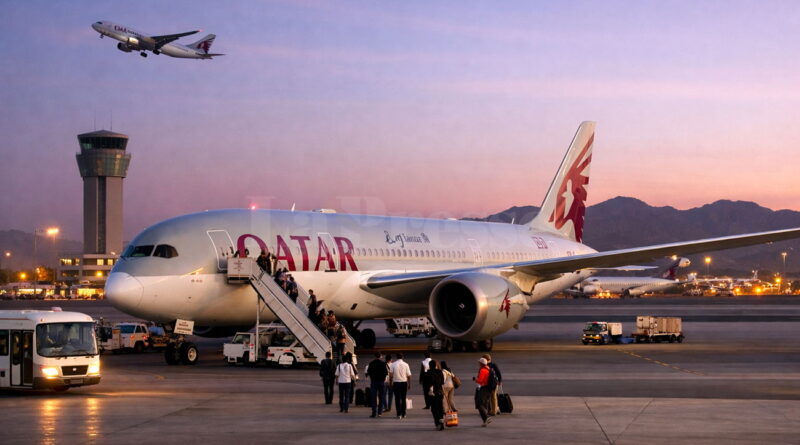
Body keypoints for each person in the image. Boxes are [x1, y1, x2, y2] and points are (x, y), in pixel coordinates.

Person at [473, 357, 495, 427]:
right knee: (484, 404)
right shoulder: (488, 368)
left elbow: (480, 381)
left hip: (484, 388)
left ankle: (487, 417)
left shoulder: (483, 370)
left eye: (479, 362)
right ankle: (485, 421)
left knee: (479, 403)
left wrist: (475, 379)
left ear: (481, 363)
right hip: (489, 389)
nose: (478, 363)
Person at [367, 352, 389, 418]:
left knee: (374, 398)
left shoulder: (371, 363)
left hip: (374, 382)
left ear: (375, 356)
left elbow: (369, 372)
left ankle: (374, 412)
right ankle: (380, 412)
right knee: (381, 397)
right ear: (380, 356)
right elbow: (386, 373)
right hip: (381, 382)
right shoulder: (383, 364)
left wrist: (372, 377)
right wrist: (383, 378)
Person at [390, 353, 412, 419]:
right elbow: (409, 375)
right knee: (403, 398)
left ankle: (398, 414)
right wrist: (409, 384)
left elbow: (391, 375)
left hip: (396, 383)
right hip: (404, 383)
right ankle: (404, 414)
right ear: (402, 357)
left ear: (396, 357)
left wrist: (391, 383)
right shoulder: (406, 364)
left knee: (397, 399)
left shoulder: (393, 364)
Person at [427, 359, 446, 430]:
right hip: (440, 392)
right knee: (440, 408)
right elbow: (442, 382)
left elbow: (427, 384)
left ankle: (437, 423)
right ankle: (441, 423)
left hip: (433, 394)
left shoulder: (428, 373)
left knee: (434, 409)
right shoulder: (440, 371)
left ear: (429, 366)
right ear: (435, 365)